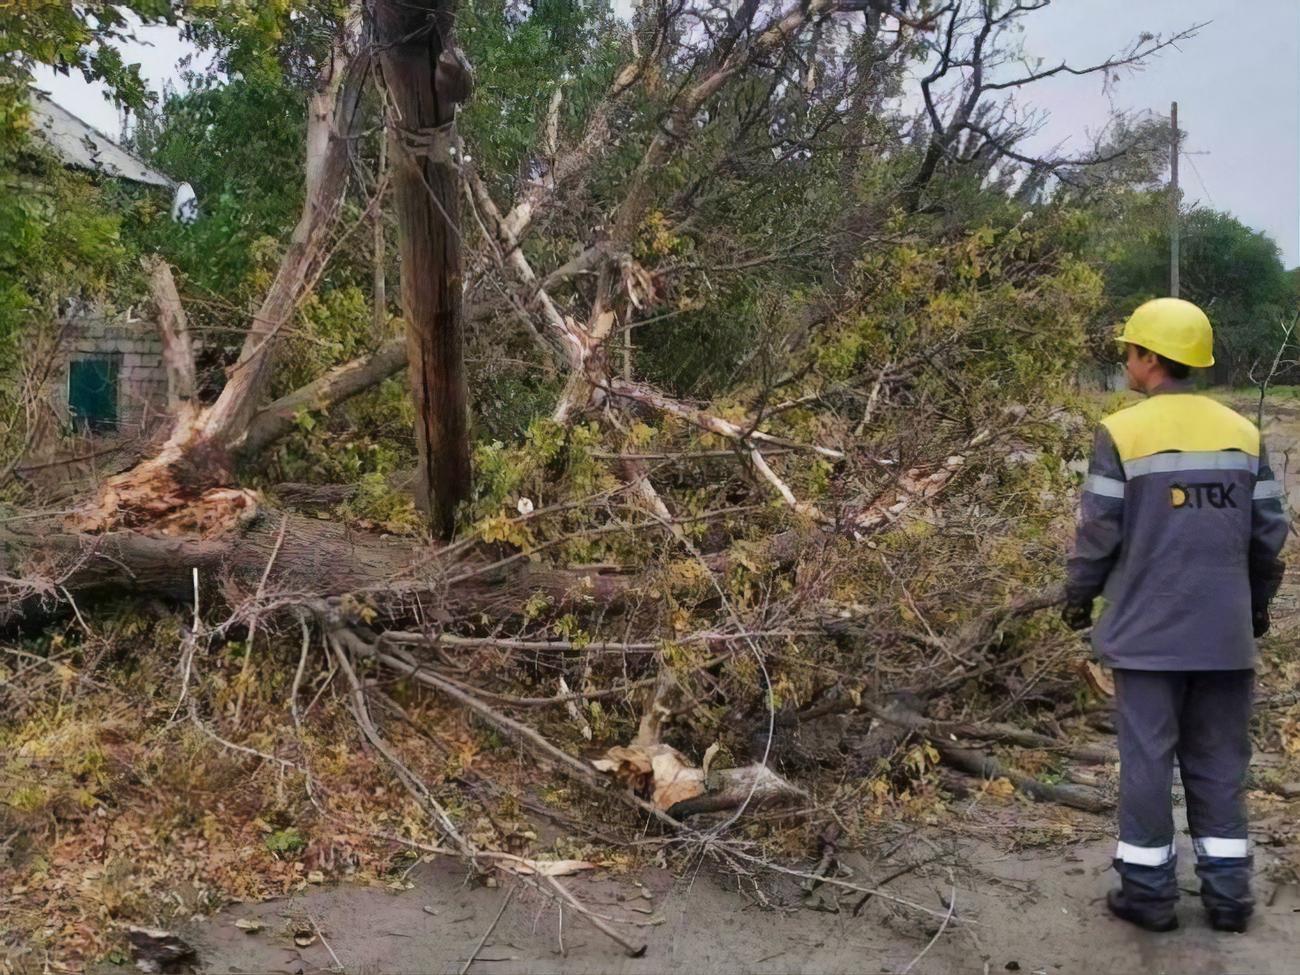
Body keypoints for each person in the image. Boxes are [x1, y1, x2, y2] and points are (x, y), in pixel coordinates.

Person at [1063, 297, 1289, 933]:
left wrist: (1077, 596)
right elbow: (1269, 535)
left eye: (1129, 352)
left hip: (1147, 635)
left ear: (1150, 358)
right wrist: (1256, 606)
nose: (1126, 362)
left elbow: (1098, 533)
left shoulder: (1122, 432)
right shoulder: (1243, 434)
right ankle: (1229, 896)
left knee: (1147, 761)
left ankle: (1148, 895)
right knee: (1220, 762)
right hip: (1225, 635)